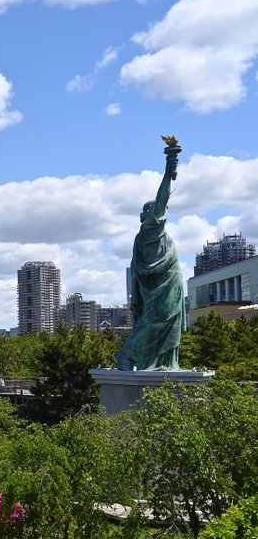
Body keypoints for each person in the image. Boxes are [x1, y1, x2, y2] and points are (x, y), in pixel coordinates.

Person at [117, 137, 184, 371]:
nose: (159, 210)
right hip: (161, 286)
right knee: (157, 322)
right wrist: (170, 162)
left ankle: (164, 361)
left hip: (170, 282)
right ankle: (127, 355)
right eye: (154, 209)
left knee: (168, 323)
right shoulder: (149, 229)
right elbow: (163, 197)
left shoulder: (149, 234)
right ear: (146, 215)